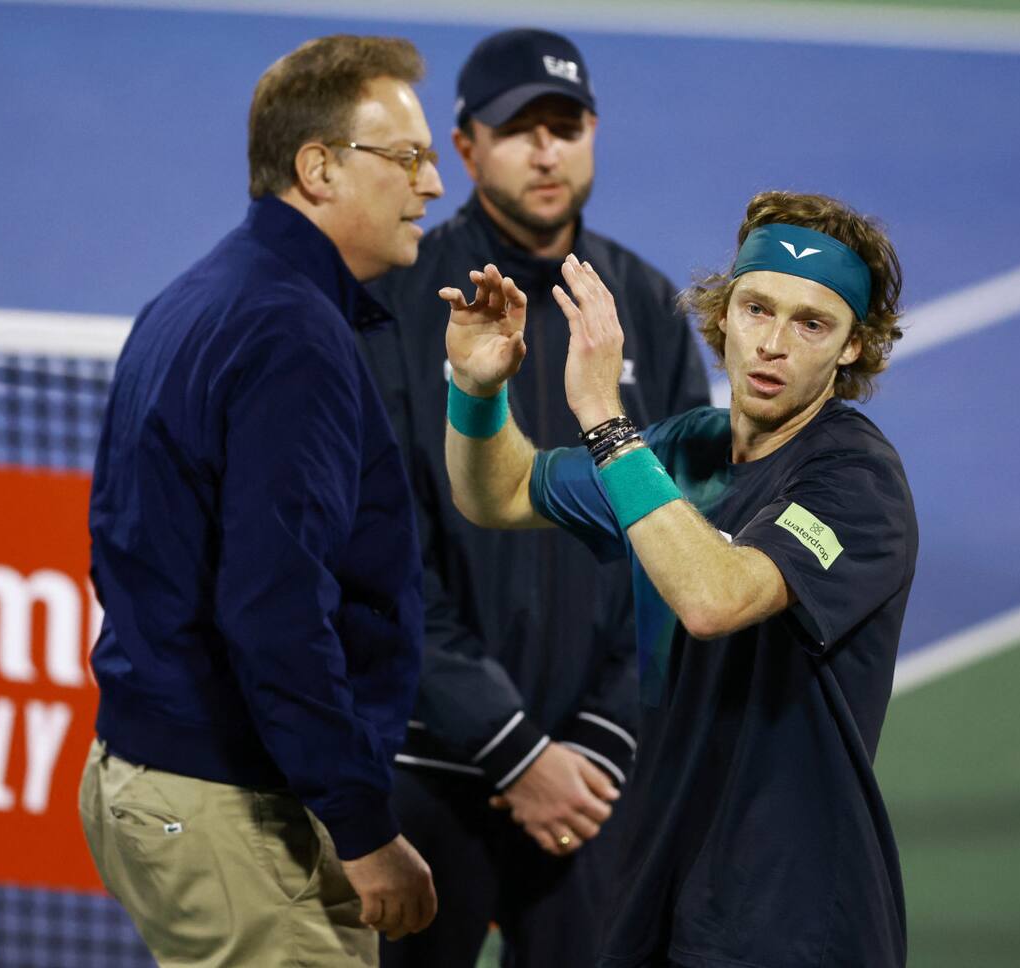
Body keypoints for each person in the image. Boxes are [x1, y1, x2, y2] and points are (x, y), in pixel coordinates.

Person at [441, 190, 917, 967]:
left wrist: (606, 420)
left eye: (811, 324)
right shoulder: (682, 451)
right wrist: (476, 389)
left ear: (852, 347)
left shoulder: (856, 482)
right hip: (662, 885)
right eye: (758, 309)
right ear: (725, 314)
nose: (773, 344)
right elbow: (498, 493)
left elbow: (715, 598)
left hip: (789, 918)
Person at [78, 35, 444, 966]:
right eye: (408, 157)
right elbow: (274, 607)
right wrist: (361, 826)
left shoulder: (197, 294)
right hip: (235, 808)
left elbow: (122, 536)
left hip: (148, 780)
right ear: (318, 168)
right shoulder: (291, 333)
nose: (434, 185)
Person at [360, 26, 709, 968]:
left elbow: (683, 532)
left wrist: (601, 736)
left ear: (594, 133)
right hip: (427, 771)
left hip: (595, 783)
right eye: (519, 130)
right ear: (466, 148)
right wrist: (512, 747)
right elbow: (379, 556)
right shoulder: (398, 303)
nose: (547, 151)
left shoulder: (645, 305)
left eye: (567, 126)